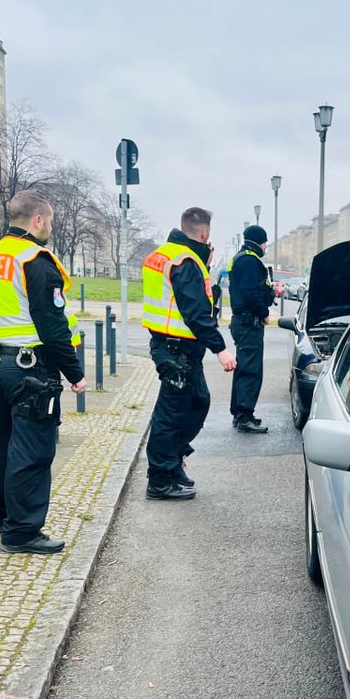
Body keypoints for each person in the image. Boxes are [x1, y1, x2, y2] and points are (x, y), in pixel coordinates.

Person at [0, 189, 87, 554]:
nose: (49, 227)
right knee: (31, 449)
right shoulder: (35, 258)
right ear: (37, 220)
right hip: (29, 368)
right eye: (48, 221)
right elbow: (52, 325)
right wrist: (74, 372)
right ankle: (21, 532)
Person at [142, 207, 236, 500]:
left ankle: (172, 463)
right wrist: (220, 348)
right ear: (204, 234)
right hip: (175, 350)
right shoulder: (185, 262)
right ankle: (160, 479)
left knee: (197, 403)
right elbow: (196, 312)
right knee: (170, 415)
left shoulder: (167, 254)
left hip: (175, 348)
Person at [228, 224, 274, 433]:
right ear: (259, 241)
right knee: (250, 370)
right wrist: (264, 312)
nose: (266, 247)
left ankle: (240, 413)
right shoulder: (249, 261)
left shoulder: (241, 258)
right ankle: (244, 415)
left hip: (243, 321)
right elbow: (250, 293)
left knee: (243, 367)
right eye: (265, 242)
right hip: (249, 322)